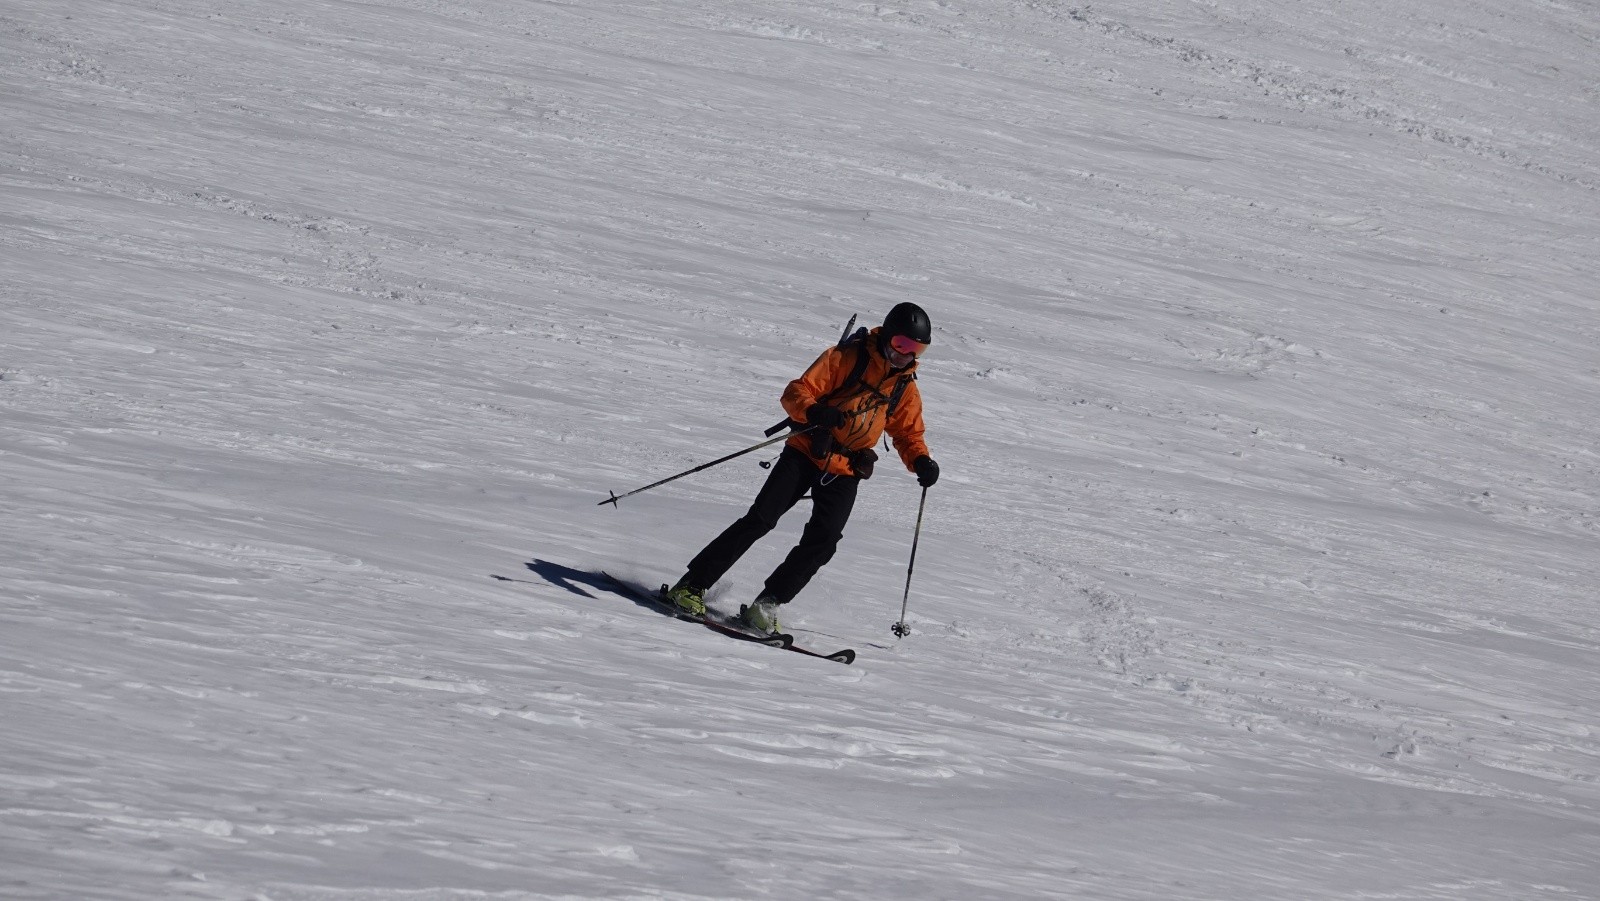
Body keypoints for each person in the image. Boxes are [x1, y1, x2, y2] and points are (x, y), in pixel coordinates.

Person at [665, 303, 941, 634]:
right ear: (887, 336)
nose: (905, 355)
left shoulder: (904, 387)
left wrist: (921, 461)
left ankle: (766, 605)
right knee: (761, 519)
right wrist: (814, 413)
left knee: (824, 541)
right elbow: (796, 392)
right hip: (805, 452)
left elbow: (908, 433)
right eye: (901, 345)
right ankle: (691, 585)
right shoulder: (847, 358)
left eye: (915, 350)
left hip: (846, 468)